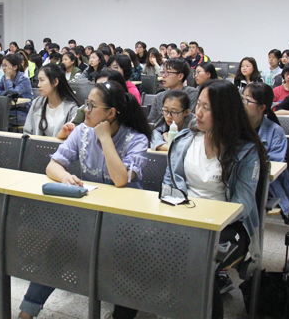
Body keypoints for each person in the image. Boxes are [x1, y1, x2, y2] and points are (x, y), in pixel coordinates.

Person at [17, 80, 151, 319]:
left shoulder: (136, 140)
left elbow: (120, 179)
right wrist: (65, 177)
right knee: (56, 250)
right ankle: (27, 312)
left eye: (91, 106)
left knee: (127, 266)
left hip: (125, 224)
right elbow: (52, 165)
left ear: (111, 113)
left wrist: (106, 138)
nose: (85, 110)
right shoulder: (82, 131)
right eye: (86, 104)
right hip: (88, 218)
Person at [161, 80, 267, 319]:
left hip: (228, 227)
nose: (197, 113)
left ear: (225, 112)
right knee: (140, 245)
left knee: (199, 265)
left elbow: (243, 204)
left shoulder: (246, 151)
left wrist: (206, 220)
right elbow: (169, 184)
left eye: (206, 108)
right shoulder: (184, 141)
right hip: (184, 219)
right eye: (198, 104)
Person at [243, 83, 289, 217]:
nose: (242, 104)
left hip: (265, 186)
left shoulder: (275, 132)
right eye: (242, 98)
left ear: (262, 107)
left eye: (247, 101)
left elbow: (272, 166)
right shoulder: (236, 127)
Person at [23, 64, 79, 137]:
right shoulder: (37, 103)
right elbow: (27, 133)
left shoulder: (72, 109)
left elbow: (74, 138)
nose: (38, 85)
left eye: (42, 80)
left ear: (55, 82)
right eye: (39, 80)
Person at [148, 58, 198, 123]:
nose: (163, 76)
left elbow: (190, 120)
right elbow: (152, 121)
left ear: (180, 76)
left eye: (167, 72)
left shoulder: (192, 94)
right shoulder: (159, 97)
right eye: (163, 72)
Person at [0, 53, 33, 126]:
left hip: (24, 112)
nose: (3, 68)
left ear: (15, 67)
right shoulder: (4, 78)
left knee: (0, 118)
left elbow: (12, 95)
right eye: (2, 66)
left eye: (6, 65)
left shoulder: (23, 79)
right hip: (10, 109)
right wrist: (6, 93)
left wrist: (8, 78)